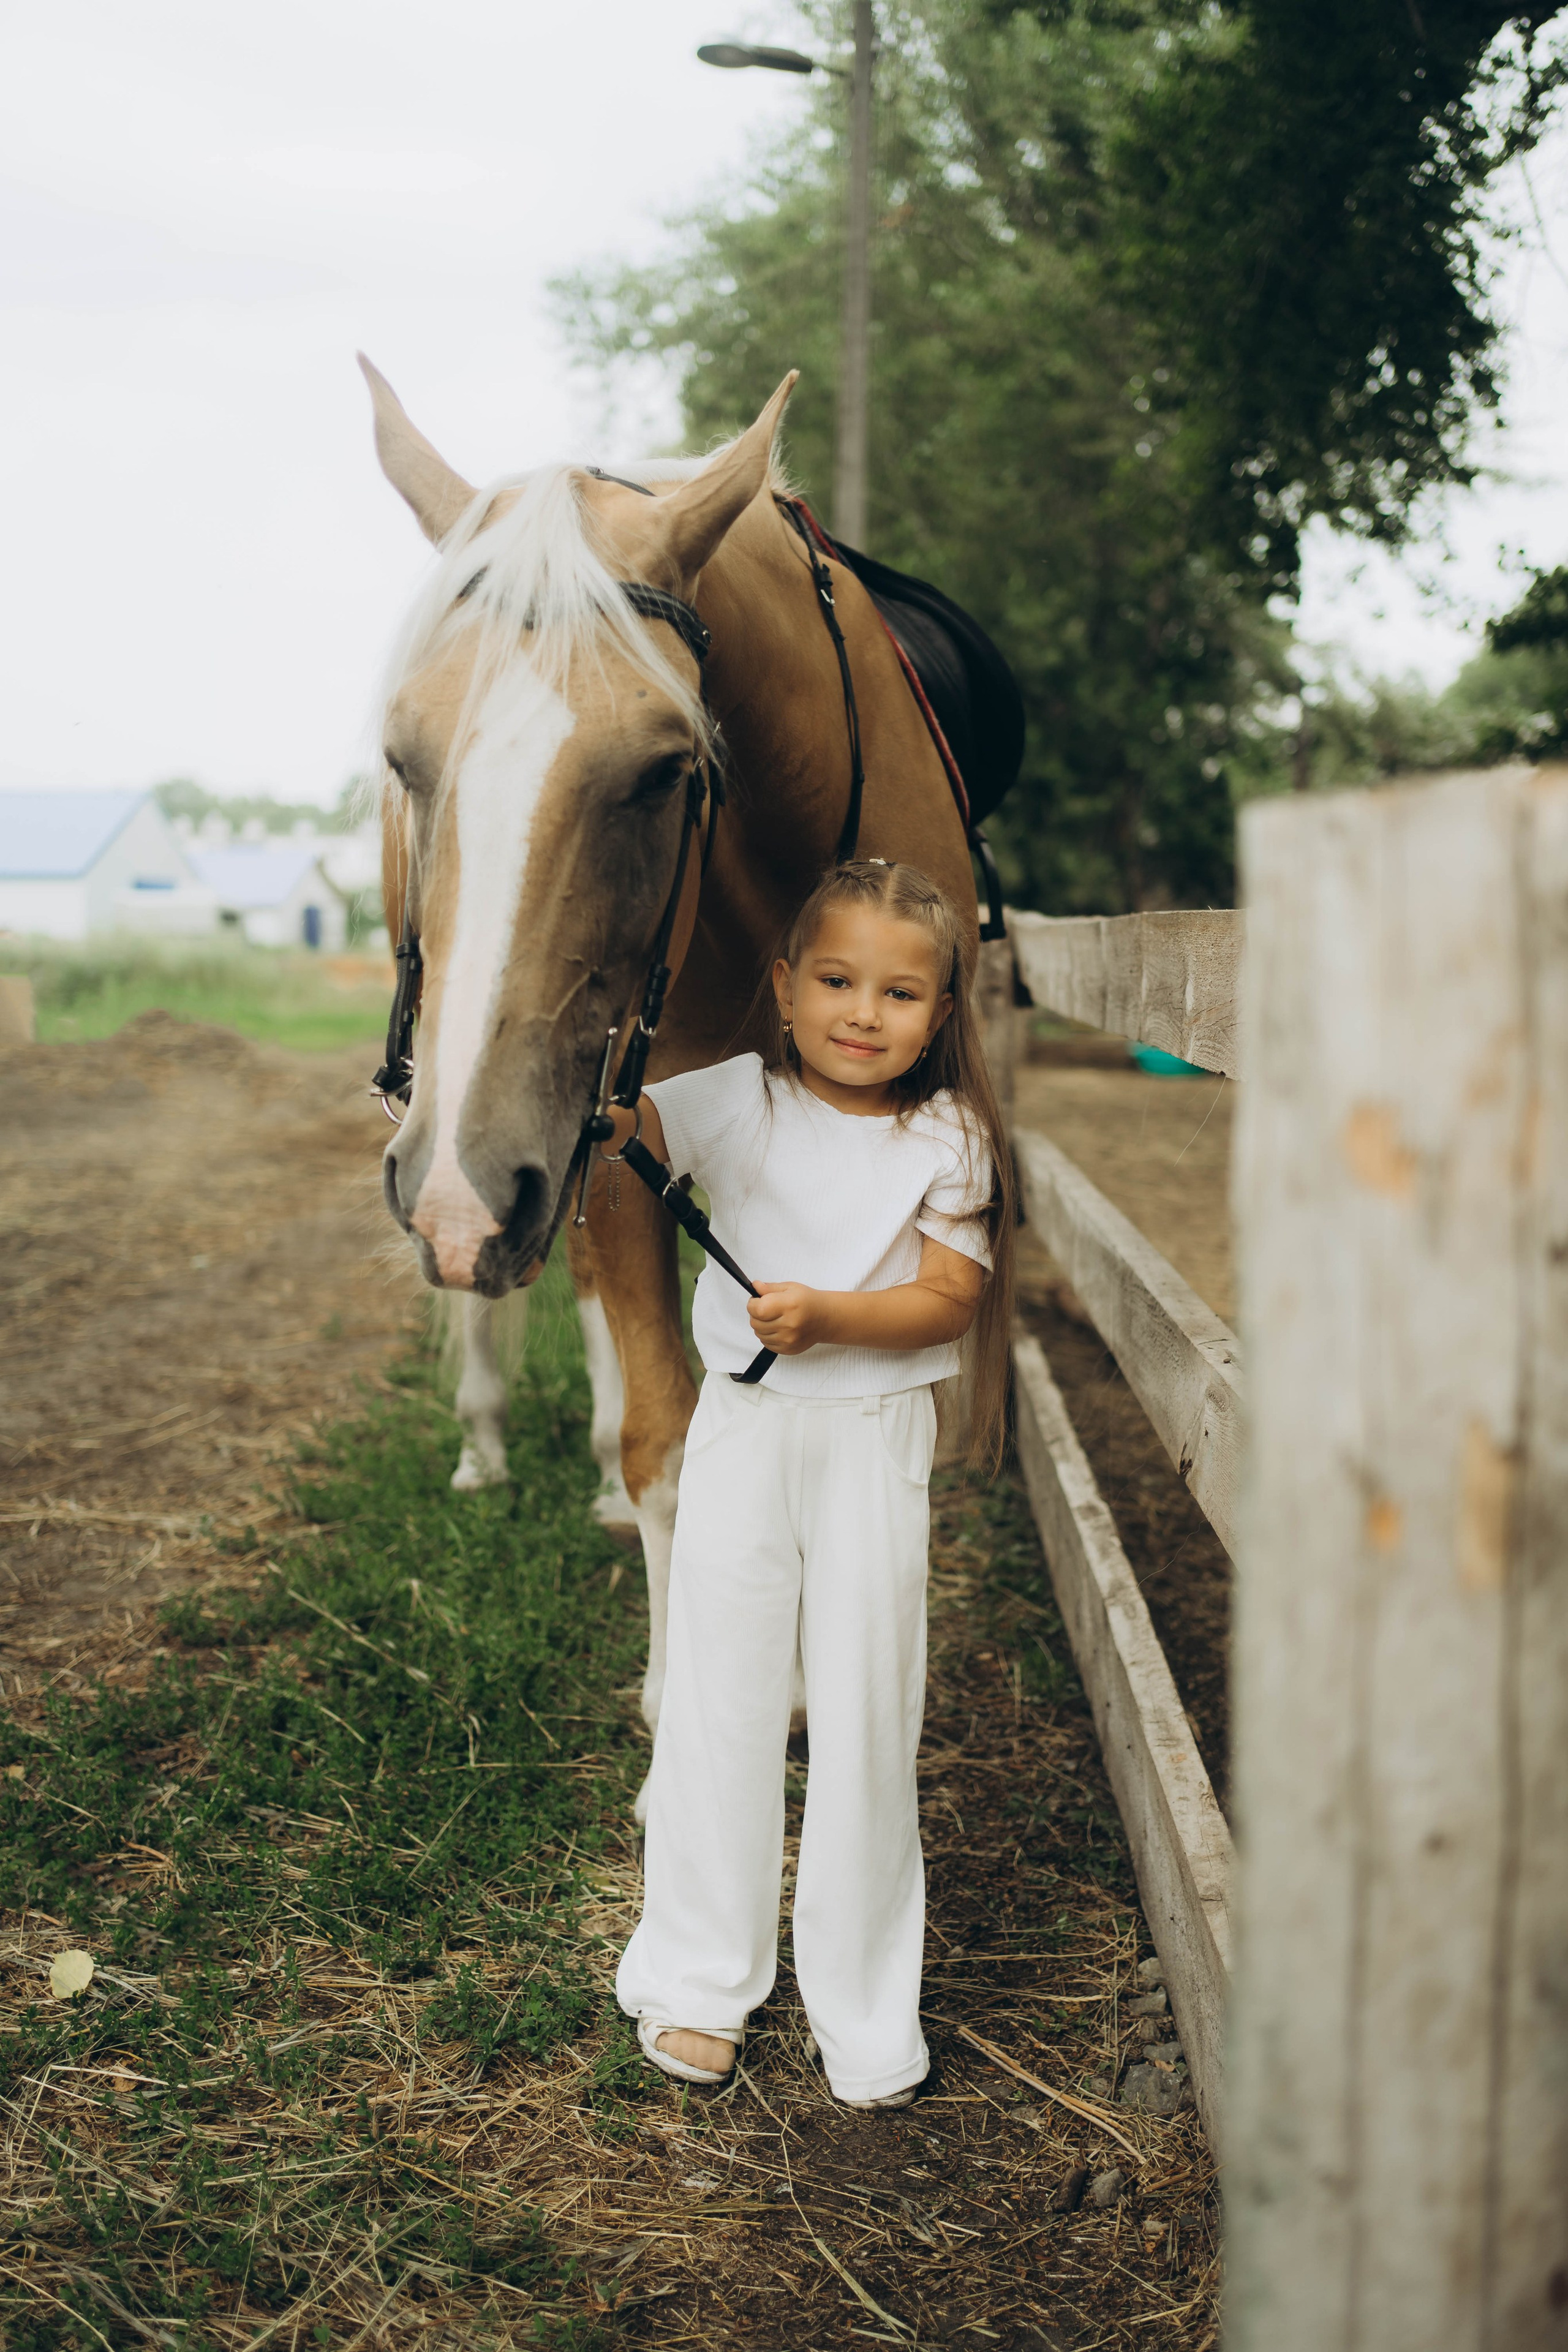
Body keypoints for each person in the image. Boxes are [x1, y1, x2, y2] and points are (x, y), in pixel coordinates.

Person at [598, 858, 1014, 2109]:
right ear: (783, 987)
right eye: (835, 979)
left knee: (865, 1704)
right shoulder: (736, 1100)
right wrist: (586, 1081)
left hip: (873, 1440)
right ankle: (697, 1975)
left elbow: (951, 1295)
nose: (860, 1011)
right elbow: (626, 1129)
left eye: (897, 992)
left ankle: (862, 2001)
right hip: (743, 1434)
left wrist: (831, 1313)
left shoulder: (947, 1137)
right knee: (719, 1697)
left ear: (938, 1015)